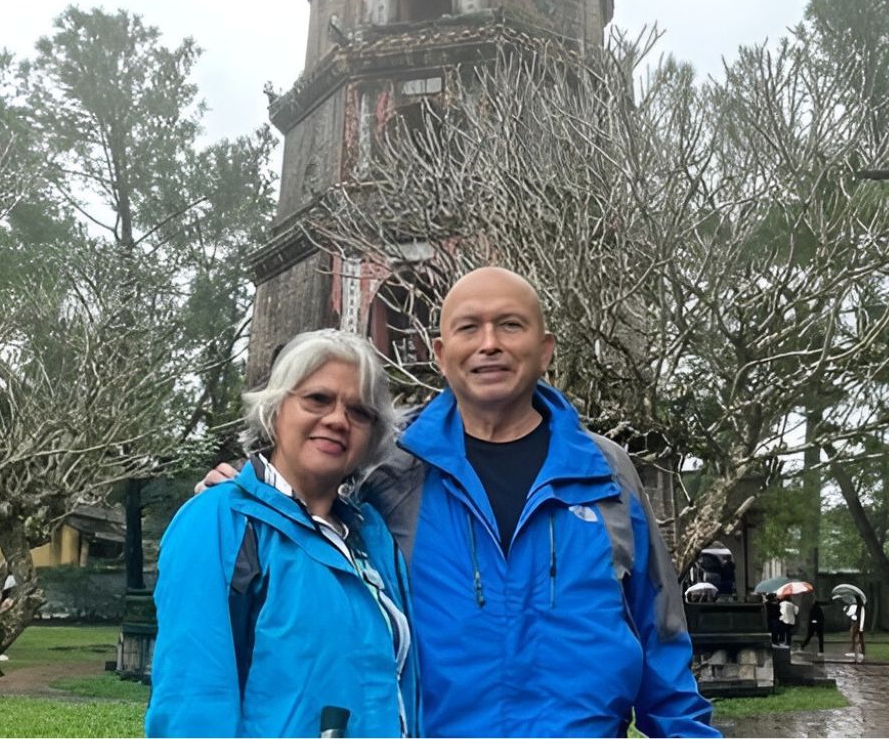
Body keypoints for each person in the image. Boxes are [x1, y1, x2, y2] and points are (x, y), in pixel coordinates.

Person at [204, 267, 716, 737]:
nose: (489, 344)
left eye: (510, 326)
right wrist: (235, 495)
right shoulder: (389, 470)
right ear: (440, 351)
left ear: (545, 349)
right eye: (469, 328)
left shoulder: (606, 473)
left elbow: (661, 641)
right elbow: (302, 515)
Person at [150, 329, 418, 738]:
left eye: (359, 411)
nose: (337, 420)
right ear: (275, 409)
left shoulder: (371, 537)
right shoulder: (221, 521)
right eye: (317, 399)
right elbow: (192, 703)